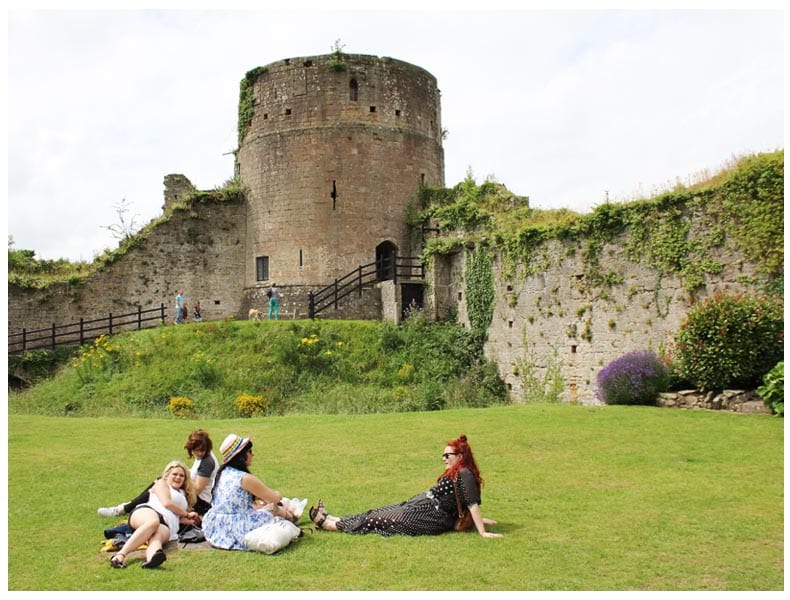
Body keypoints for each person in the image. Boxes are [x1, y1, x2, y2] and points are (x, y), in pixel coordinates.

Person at [308, 434, 503, 538]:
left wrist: (483, 531)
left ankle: (330, 525)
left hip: (429, 516)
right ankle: (335, 518)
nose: (443, 459)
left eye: (447, 456)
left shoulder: (464, 473)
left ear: (460, 457)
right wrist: (482, 520)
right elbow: (459, 504)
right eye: (443, 455)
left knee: (380, 520)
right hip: (421, 506)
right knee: (376, 512)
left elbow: (471, 505)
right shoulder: (457, 472)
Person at [202, 433, 297, 550]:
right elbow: (275, 498)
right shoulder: (244, 478)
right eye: (250, 451)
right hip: (237, 525)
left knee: (264, 507)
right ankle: (291, 516)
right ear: (242, 456)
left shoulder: (222, 473)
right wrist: (278, 494)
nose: (253, 455)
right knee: (274, 509)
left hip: (216, 525)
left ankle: (290, 515)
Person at [98, 429, 219, 518]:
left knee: (161, 484)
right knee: (162, 482)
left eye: (201, 451)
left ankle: (125, 509)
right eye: (196, 451)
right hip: (196, 496)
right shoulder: (202, 458)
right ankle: (131, 506)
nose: (198, 454)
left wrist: (179, 478)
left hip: (202, 502)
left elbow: (197, 488)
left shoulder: (207, 462)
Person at [109, 461, 199, 569]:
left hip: (167, 524)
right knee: (153, 522)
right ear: (167, 475)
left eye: (182, 476)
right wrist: (187, 514)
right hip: (149, 512)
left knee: (157, 538)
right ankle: (119, 555)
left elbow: (176, 516)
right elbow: (166, 503)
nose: (178, 477)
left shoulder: (183, 493)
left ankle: (152, 558)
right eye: (174, 474)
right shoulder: (161, 483)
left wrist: (187, 520)